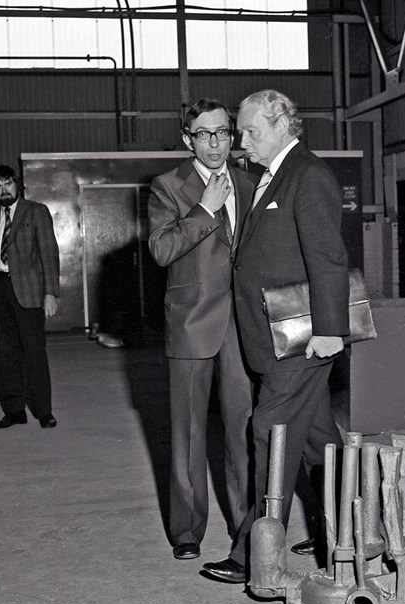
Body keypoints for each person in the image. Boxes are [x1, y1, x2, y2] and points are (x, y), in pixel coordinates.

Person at [202, 89, 349, 583]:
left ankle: (253, 554)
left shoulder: (308, 175)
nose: (240, 141)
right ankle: (353, 528)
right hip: (275, 335)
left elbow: (328, 258)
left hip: (303, 338)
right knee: (319, 443)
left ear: (284, 123)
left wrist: (331, 330)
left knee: (271, 433)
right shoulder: (272, 176)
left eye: (249, 131)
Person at [148, 98, 255, 561]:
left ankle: (247, 528)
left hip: (244, 323)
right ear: (187, 138)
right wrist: (206, 210)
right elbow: (162, 249)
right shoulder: (167, 186)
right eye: (204, 134)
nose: (215, 143)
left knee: (244, 431)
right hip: (192, 322)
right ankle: (187, 530)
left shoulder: (250, 184)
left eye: (223, 133)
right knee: (188, 433)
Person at [0, 165, 60, 429]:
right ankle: (15, 411)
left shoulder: (37, 211)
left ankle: (43, 411)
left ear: (18, 185)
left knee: (34, 353)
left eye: (8, 184)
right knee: (7, 355)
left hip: (29, 293)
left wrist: (50, 293)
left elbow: (49, 254)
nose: (4, 190)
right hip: (0, 291)